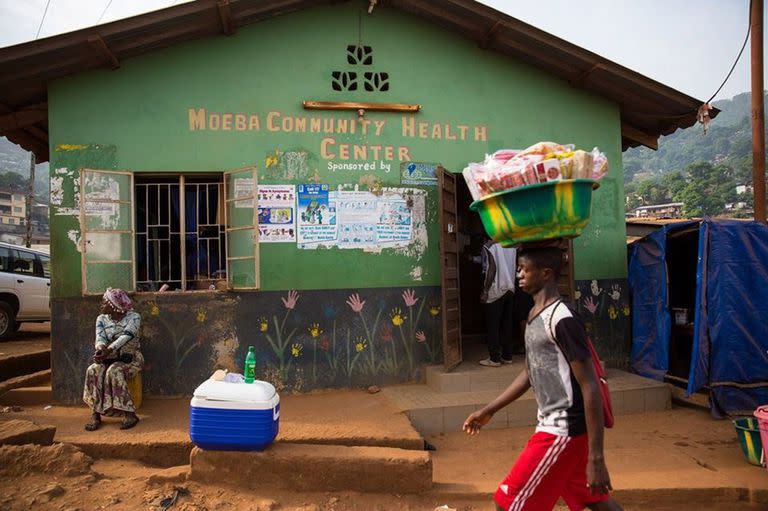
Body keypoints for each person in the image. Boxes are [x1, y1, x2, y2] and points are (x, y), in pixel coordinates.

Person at [463, 246, 622, 511]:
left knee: (507, 503)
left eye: (525, 269)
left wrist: (597, 458)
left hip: (562, 430)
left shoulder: (563, 318)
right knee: (593, 499)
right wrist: (488, 410)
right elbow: (529, 371)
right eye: (518, 269)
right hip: (561, 429)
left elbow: (590, 384)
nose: (518, 275)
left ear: (546, 274)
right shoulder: (535, 314)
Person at [83, 288, 143, 431]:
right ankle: (95, 414)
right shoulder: (101, 319)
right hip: (107, 357)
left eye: (105, 302)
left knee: (114, 371)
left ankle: (130, 414)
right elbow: (100, 338)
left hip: (130, 358)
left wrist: (108, 350)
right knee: (93, 370)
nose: (102, 305)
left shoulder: (134, 317)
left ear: (114, 305)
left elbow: (126, 336)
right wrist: (100, 350)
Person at [477, 238, 521, 367]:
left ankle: (494, 358)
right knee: (507, 324)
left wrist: (485, 290)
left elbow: (492, 269)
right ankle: (507, 356)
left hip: (496, 289)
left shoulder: (490, 246)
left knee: (493, 325)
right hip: (510, 288)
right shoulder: (512, 244)